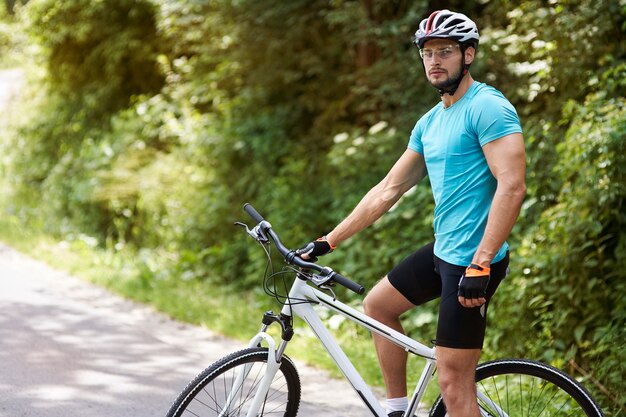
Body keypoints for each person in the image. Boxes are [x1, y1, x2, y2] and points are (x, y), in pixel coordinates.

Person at [297, 9, 527, 417]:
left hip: (473, 262)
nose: (435, 61)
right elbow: (388, 190)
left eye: (446, 51)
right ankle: (397, 410)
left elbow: (511, 185)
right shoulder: (430, 122)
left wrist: (482, 262)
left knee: (454, 384)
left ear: (468, 55)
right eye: (428, 53)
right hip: (444, 251)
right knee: (378, 307)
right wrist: (327, 241)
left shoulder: (488, 108)